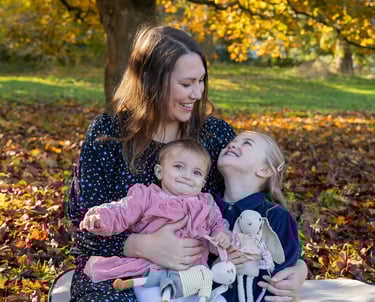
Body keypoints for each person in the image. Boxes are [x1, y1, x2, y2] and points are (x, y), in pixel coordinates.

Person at [67, 25, 307, 302]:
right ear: (150, 81)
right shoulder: (109, 135)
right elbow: (83, 231)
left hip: (196, 276)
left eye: (201, 81)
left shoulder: (215, 136)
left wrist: (299, 265)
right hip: (121, 273)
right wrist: (139, 245)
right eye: (186, 84)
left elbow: (253, 208)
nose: (197, 93)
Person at [79, 139, 231, 301]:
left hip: (192, 276)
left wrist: (220, 236)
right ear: (159, 172)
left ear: (203, 183)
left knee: (218, 300)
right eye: (179, 167)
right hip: (152, 274)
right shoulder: (147, 196)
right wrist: (101, 218)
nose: (187, 176)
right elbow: (121, 210)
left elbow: (217, 224)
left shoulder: (206, 203)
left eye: (197, 173)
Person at [215, 131, 301, 302]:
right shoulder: (205, 209)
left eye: (247, 143)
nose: (231, 145)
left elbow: (284, 274)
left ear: (265, 170)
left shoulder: (276, 216)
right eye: (232, 142)